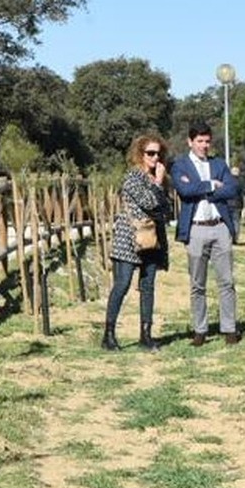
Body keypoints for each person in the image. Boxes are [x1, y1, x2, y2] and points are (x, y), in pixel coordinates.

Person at [172, 121, 240, 346]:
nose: (204, 146)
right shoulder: (180, 166)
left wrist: (203, 190)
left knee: (227, 281)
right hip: (196, 228)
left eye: (207, 141)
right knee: (197, 284)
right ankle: (200, 330)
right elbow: (184, 190)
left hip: (220, 226)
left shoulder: (219, 164)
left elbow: (232, 189)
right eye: (199, 141)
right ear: (190, 142)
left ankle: (229, 328)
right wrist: (212, 185)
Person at [103, 133, 172, 351]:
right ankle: (109, 334)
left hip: (152, 239)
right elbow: (150, 203)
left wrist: (160, 184)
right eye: (150, 153)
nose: (155, 157)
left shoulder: (159, 178)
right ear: (140, 154)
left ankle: (146, 334)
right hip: (130, 237)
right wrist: (158, 184)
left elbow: (167, 208)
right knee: (122, 285)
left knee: (148, 286)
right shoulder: (133, 177)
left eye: (158, 153)